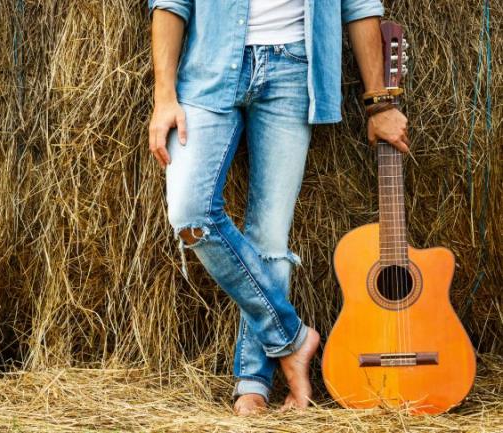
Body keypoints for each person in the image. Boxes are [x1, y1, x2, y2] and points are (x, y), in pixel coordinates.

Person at [146, 0, 409, 416]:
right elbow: (170, 3)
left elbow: (359, 6)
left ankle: (253, 382)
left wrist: (380, 102)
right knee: (190, 213)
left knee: (270, 237)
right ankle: (292, 337)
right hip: (208, 67)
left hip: (293, 69)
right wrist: (164, 96)